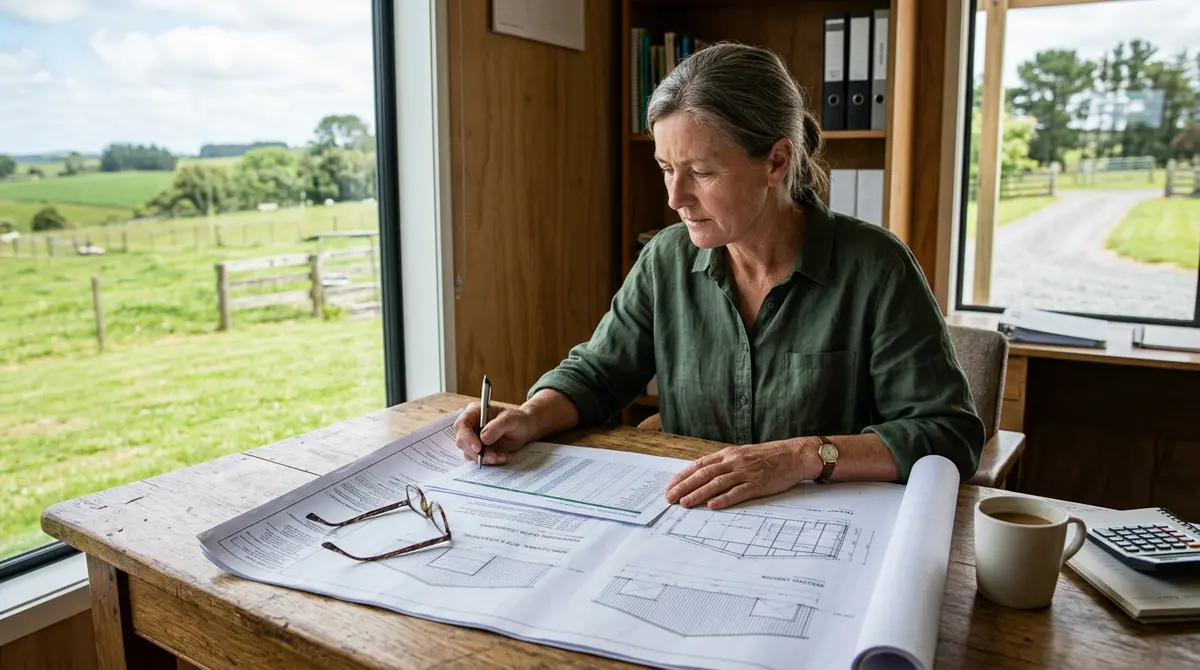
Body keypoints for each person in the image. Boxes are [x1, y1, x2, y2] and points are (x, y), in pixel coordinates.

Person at [454, 42, 984, 511]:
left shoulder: (878, 268)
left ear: (777, 161)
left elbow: (948, 434)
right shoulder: (666, 259)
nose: (675, 198)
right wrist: (529, 415)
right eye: (666, 168)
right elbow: (598, 375)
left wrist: (801, 456)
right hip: (691, 523)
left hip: (830, 531)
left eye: (702, 173)